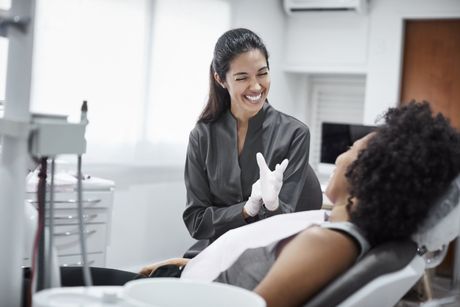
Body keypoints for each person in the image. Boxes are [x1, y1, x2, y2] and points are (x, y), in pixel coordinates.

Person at [138, 101, 460, 306]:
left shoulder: (328, 244)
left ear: (369, 175)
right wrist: (183, 266)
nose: (339, 156)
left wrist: (170, 289)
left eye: (351, 148)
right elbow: (250, 266)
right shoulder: (330, 226)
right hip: (184, 284)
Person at [183, 28, 322, 255]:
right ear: (220, 79)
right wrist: (246, 210)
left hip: (269, 254)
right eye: (242, 77)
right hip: (216, 251)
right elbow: (196, 222)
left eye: (262, 73)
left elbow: (283, 225)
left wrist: (273, 205)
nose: (256, 86)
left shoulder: (295, 134)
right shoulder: (202, 137)